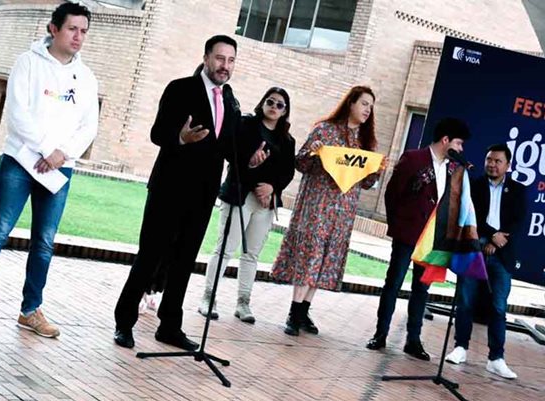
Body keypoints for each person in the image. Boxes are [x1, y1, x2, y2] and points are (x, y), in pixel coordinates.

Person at [114, 35, 267, 350]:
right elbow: (158, 133)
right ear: (207, 57)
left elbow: (227, 147)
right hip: (168, 190)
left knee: (184, 261)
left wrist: (249, 159)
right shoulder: (180, 88)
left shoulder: (229, 100)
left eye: (231, 60)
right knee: (150, 257)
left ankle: (170, 326)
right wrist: (180, 138)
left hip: (202, 195)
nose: (225, 66)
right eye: (220, 58)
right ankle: (124, 323)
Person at [0, 2, 99, 338]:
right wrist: (45, 150)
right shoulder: (27, 63)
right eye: (72, 29)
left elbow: (88, 126)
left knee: (45, 241)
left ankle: (30, 310)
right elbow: (18, 114)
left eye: (83, 30)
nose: (78, 36)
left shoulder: (86, 78)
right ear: (54, 29)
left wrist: (61, 155)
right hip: (20, 162)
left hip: (59, 170)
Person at [271, 86, 385, 336]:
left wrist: (376, 170)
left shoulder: (366, 143)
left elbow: (366, 182)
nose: (368, 110)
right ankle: (294, 310)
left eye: (371, 106)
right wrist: (314, 152)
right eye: (364, 103)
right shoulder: (325, 130)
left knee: (324, 259)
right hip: (317, 206)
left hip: (343, 212)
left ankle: (304, 311)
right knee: (310, 255)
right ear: (351, 103)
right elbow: (301, 162)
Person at [366, 118, 470, 360]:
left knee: (422, 290)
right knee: (393, 283)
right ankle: (380, 334)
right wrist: (399, 225)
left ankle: (413, 340)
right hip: (407, 234)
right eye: (459, 143)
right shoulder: (412, 159)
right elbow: (392, 195)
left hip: (433, 240)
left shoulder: (454, 168)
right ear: (446, 140)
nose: (461, 149)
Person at [197, 87, 296, 323]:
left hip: (266, 203)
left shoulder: (287, 140)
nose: (274, 107)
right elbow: (232, 157)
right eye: (270, 101)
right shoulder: (246, 125)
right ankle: (208, 298)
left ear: (285, 111)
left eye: (280, 104)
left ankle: (243, 303)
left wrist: (272, 189)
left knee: (251, 254)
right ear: (262, 103)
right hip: (240, 195)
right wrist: (251, 166)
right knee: (225, 248)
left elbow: (287, 172)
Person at [445, 143, 527, 379]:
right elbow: (472, 216)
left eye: (497, 161)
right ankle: (460, 348)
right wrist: (492, 235)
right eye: (489, 159)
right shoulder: (475, 186)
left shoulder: (518, 190)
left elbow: (518, 222)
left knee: (498, 308)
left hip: (502, 255)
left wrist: (496, 240)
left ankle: (496, 359)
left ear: (508, 165)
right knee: (466, 302)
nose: (492, 164)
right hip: (474, 249)